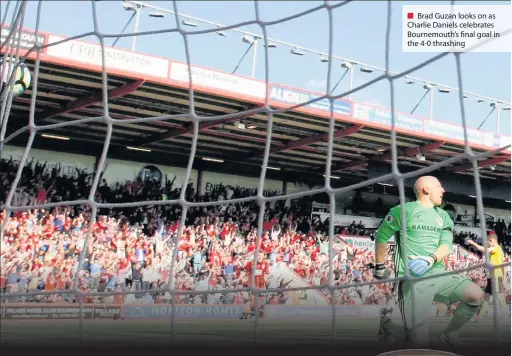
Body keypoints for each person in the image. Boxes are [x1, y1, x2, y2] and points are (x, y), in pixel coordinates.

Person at [372, 175, 484, 346]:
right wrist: (380, 266)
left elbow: (446, 245)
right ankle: (388, 325)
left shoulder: (444, 216)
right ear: (426, 189)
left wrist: (430, 260)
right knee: (417, 341)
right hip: (413, 279)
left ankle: (450, 334)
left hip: (439, 274)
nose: (443, 190)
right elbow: (381, 237)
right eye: (439, 186)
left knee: (476, 295)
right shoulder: (402, 211)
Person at [467, 233, 509, 321]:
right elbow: (502, 262)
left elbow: (484, 249)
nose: (488, 244)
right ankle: (479, 317)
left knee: (499, 296)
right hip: (492, 276)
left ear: (492, 241)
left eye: (489, 242)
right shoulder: (500, 250)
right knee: (486, 297)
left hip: (496, 276)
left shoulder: (496, 249)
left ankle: (506, 317)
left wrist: (473, 243)